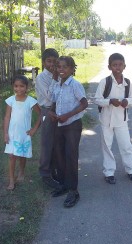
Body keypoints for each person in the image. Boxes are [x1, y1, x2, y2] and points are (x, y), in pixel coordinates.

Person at [49, 56, 88, 208]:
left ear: (72, 69)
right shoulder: (57, 84)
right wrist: (53, 113)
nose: (61, 70)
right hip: (59, 124)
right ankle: (63, 184)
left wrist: (68, 115)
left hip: (72, 125)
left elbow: (84, 103)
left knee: (71, 156)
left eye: (65, 67)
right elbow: (54, 101)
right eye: (58, 67)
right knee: (59, 154)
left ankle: (73, 190)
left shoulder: (75, 85)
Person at [94, 53, 132, 184]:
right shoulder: (105, 82)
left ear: (125, 66)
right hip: (106, 120)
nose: (117, 67)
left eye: (120, 65)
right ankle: (109, 172)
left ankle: (131, 169)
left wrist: (127, 101)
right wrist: (109, 101)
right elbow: (97, 99)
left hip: (121, 120)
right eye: (114, 65)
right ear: (109, 67)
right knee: (107, 146)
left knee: (126, 145)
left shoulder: (127, 83)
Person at [4, 75, 41, 190]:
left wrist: (34, 129)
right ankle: (11, 180)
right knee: (11, 156)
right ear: (13, 87)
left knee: (22, 155)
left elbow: (41, 114)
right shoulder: (10, 100)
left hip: (24, 134)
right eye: (16, 86)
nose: (18, 89)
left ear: (27, 87)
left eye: (21, 86)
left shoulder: (31, 101)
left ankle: (21, 172)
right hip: (12, 134)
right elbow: (7, 117)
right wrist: (5, 133)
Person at [35, 48, 60, 189]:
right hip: (47, 111)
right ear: (44, 62)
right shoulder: (41, 78)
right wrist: (55, 78)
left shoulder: (60, 74)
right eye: (49, 61)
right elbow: (50, 97)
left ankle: (54, 170)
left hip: (59, 110)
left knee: (57, 142)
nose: (52, 64)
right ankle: (45, 173)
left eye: (54, 61)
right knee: (47, 142)